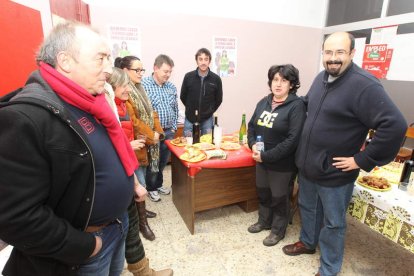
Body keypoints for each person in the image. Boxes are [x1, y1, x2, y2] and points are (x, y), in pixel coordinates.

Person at [0, 21, 147, 276]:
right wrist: (87, 246)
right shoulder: (25, 118)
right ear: (65, 61)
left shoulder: (93, 101)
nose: (108, 70)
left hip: (116, 226)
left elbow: (108, 152)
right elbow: (17, 218)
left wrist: (131, 183)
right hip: (82, 251)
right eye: (100, 59)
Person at [282, 32, 407, 276]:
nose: (333, 58)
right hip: (308, 167)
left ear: (352, 53)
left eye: (340, 52)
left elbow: (395, 125)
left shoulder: (364, 84)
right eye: (328, 52)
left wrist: (362, 159)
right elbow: (309, 105)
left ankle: (329, 269)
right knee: (308, 208)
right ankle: (308, 243)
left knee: (333, 223)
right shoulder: (321, 77)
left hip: (335, 173)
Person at [108, 68, 173, 276]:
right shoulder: (106, 110)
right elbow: (113, 144)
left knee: (130, 227)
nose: (129, 88)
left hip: (127, 166)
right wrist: (131, 144)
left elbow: (148, 115)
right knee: (123, 231)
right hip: (119, 172)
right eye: (124, 84)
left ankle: (143, 271)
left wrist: (157, 133)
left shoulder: (124, 104)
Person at [247, 64, 306, 246]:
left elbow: (292, 140)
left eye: (284, 80)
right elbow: (251, 127)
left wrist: (267, 156)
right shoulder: (263, 102)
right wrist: (252, 145)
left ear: (292, 84)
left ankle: (277, 231)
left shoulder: (296, 106)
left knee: (280, 197)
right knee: (263, 192)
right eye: (275, 80)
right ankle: (264, 221)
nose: (278, 84)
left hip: (282, 164)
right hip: (261, 160)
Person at [115, 56, 165, 239]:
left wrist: (157, 131)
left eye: (142, 70)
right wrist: (152, 136)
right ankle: (141, 222)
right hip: (137, 144)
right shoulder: (124, 94)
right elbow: (134, 123)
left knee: (142, 181)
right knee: (139, 183)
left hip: (145, 144)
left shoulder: (140, 88)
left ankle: (141, 213)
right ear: (125, 71)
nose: (141, 74)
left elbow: (152, 112)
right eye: (137, 70)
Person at [142, 54, 178, 202]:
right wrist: (150, 133)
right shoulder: (143, 85)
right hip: (154, 133)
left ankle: (158, 184)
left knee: (163, 161)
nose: (168, 75)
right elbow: (142, 112)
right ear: (155, 68)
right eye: (165, 71)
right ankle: (151, 188)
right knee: (153, 162)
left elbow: (175, 108)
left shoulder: (171, 87)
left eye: (170, 72)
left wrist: (174, 127)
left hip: (169, 131)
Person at [180, 48, 223, 135]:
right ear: (196, 61)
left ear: (209, 61)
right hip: (190, 118)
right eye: (200, 59)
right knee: (187, 146)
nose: (203, 62)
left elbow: (219, 99)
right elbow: (183, 96)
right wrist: (190, 108)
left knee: (206, 146)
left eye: (206, 59)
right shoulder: (188, 77)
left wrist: (209, 110)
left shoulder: (216, 79)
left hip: (207, 120)